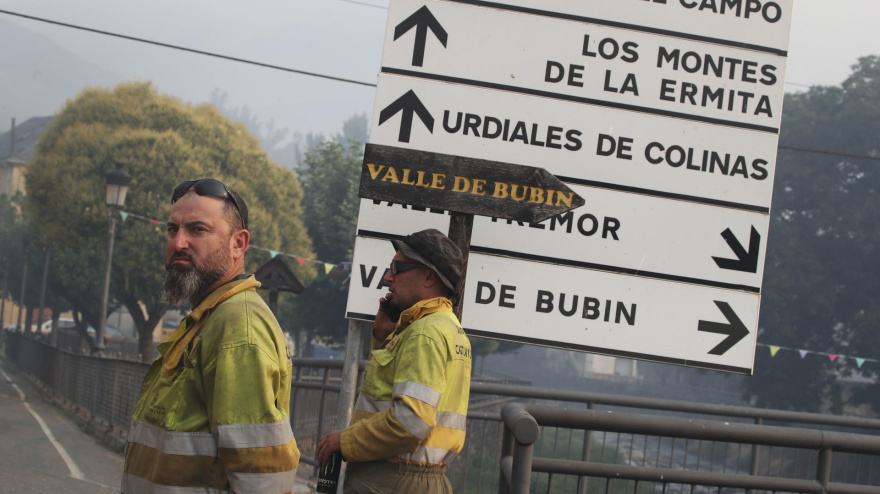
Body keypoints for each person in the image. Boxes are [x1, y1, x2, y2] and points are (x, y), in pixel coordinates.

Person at [122, 178, 300, 493]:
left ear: (238, 244)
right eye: (172, 230)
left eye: (198, 230)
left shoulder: (238, 326)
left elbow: (260, 479)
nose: (178, 243)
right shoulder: (210, 317)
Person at [317, 229, 472, 494]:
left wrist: (344, 440)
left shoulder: (424, 333)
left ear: (429, 277)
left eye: (397, 268)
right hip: (421, 478)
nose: (388, 277)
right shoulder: (449, 328)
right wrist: (382, 338)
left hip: (394, 479)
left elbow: (411, 421)